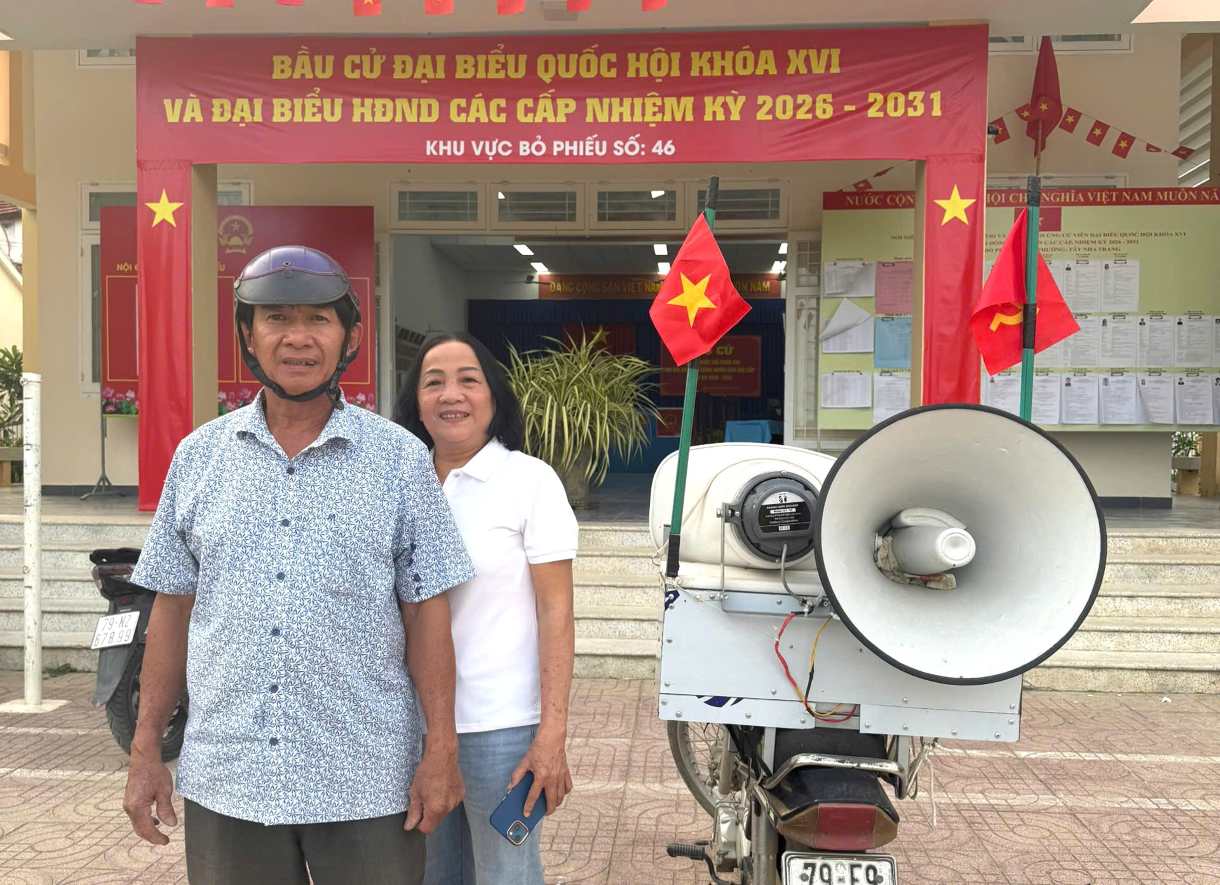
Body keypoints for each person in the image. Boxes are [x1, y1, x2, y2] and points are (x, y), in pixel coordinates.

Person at [123, 245, 475, 885]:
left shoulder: (398, 460)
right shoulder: (199, 459)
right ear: (247, 336)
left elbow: (428, 610)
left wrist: (441, 748)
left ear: (349, 337)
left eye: (318, 319)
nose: (297, 338)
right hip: (231, 778)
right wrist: (146, 748)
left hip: (366, 779)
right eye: (276, 318)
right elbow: (171, 609)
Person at [395, 333, 578, 885]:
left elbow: (557, 614)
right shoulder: (397, 483)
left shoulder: (528, 481)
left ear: (494, 397)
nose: (452, 394)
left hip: (500, 729)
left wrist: (552, 736)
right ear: (416, 403)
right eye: (434, 382)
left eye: (468, 380)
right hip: (410, 727)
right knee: (424, 874)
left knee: (505, 875)